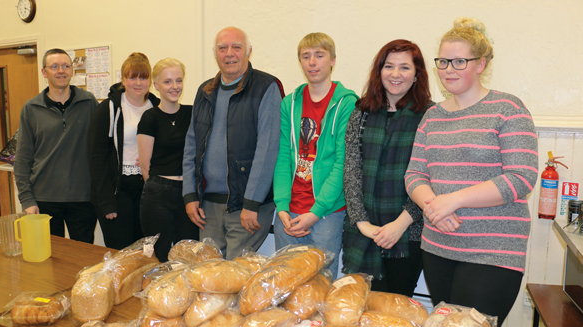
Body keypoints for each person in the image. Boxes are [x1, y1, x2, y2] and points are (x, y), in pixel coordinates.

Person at [405, 17, 538, 326]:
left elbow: (520, 178)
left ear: (481, 64)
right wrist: (433, 206)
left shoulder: (508, 109)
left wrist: (453, 200)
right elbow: (415, 175)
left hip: (493, 251)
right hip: (438, 245)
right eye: (443, 61)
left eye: (459, 61)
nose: (448, 69)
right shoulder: (432, 116)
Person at [183, 27, 283, 260]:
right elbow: (191, 146)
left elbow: (268, 150)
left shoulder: (266, 87)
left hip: (245, 207)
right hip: (208, 207)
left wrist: (252, 202)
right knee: (209, 275)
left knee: (236, 277)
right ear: (215, 54)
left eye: (236, 47)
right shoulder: (205, 90)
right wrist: (189, 195)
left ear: (248, 51)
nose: (229, 53)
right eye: (222, 48)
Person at [342, 40, 430, 296]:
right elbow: (352, 171)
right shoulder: (362, 112)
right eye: (388, 66)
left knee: (398, 307)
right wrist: (362, 222)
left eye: (404, 67)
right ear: (379, 71)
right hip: (363, 232)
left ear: (416, 75)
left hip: (409, 232)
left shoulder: (431, 114)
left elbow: (430, 177)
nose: (395, 74)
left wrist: (401, 223)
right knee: (365, 308)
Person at [273, 32, 358, 277]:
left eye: (319, 55)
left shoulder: (347, 103)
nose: (312, 62)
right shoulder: (289, 103)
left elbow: (342, 164)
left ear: (332, 60)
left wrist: (316, 211)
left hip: (326, 213)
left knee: (321, 282)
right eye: (306, 56)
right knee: (285, 284)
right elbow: (282, 158)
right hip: (288, 212)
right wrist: (281, 207)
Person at [15, 48, 98, 243]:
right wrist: (27, 200)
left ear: (71, 71)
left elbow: (101, 147)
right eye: (54, 67)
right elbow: (22, 159)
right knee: (48, 258)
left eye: (65, 66)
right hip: (44, 198)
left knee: (82, 257)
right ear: (44, 72)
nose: (61, 71)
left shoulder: (89, 102)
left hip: (83, 198)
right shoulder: (31, 108)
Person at [88, 53, 160, 249]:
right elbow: (96, 158)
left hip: (147, 189)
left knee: (147, 251)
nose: (138, 83)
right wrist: (106, 202)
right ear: (123, 79)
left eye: (143, 77)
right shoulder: (108, 110)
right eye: (132, 77)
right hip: (117, 192)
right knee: (121, 253)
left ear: (150, 81)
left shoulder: (157, 107)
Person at [137, 58, 198, 262]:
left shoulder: (192, 113)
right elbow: (145, 166)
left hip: (188, 194)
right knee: (154, 254)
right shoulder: (150, 117)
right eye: (168, 81)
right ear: (156, 85)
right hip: (158, 194)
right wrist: (160, 190)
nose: (175, 87)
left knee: (188, 254)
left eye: (178, 80)